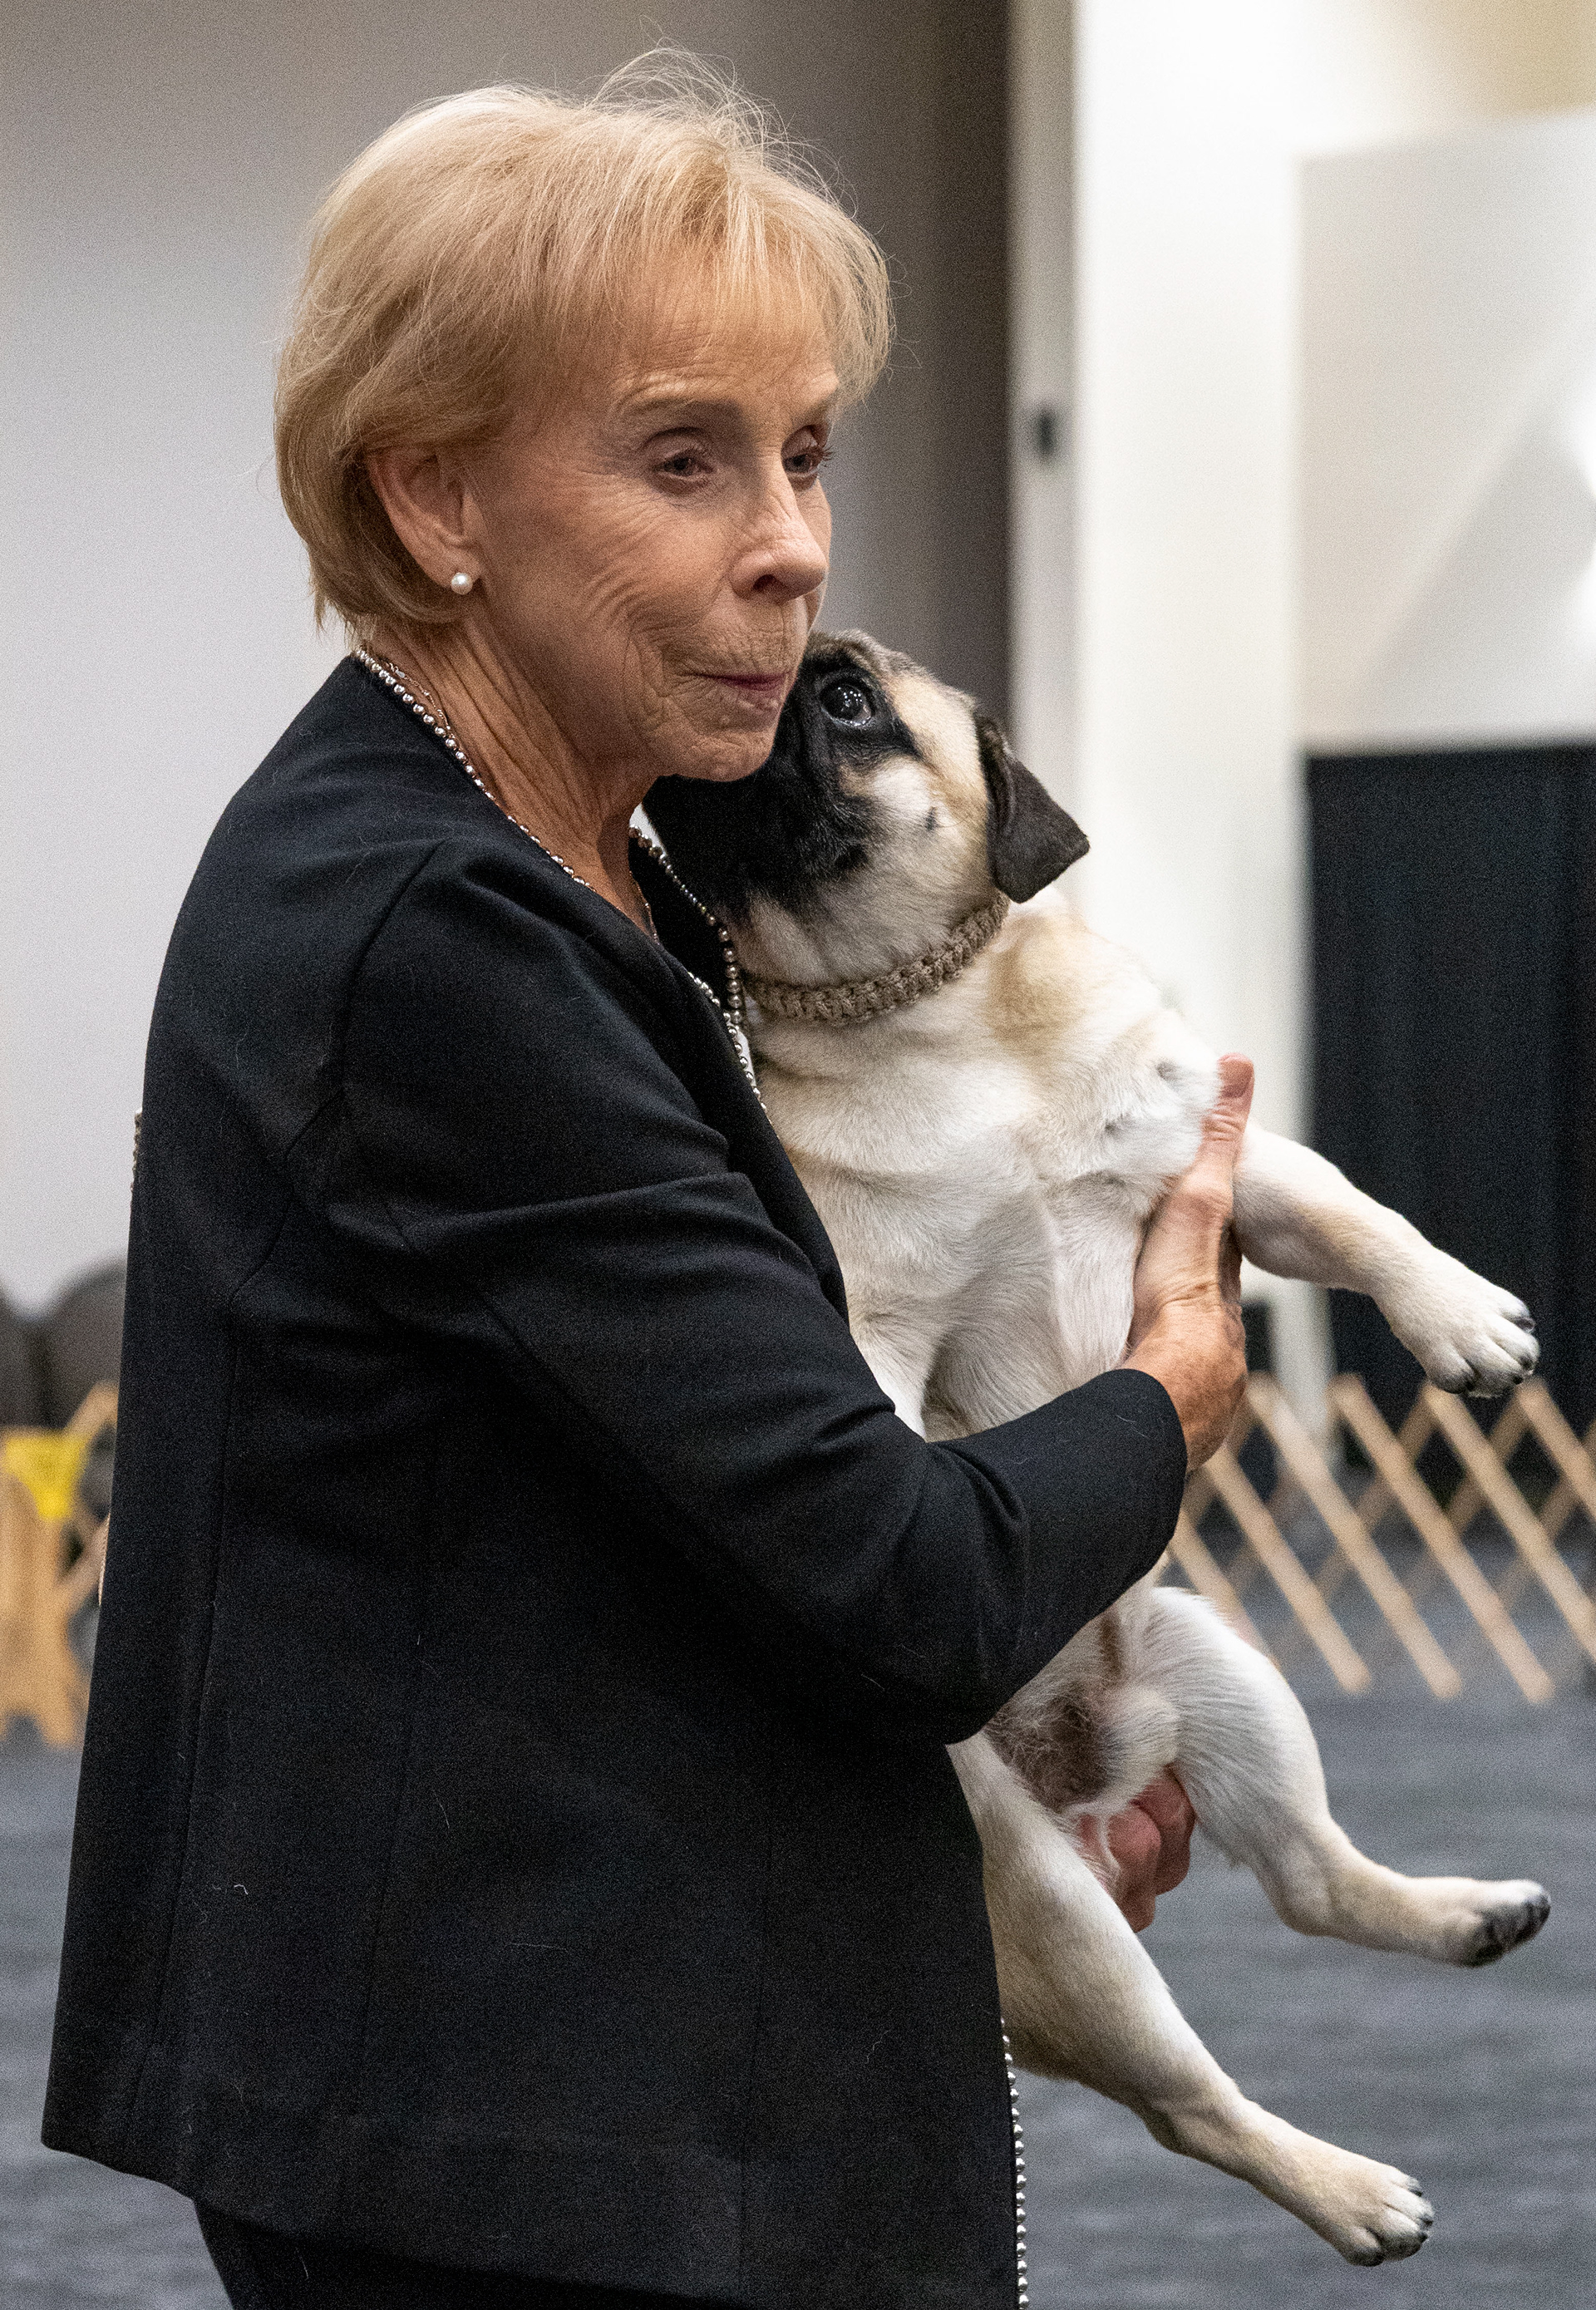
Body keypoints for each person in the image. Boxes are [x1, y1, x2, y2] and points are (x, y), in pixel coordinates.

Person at [44, 62, 1249, 2310]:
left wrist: (1013, 1788)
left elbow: (662, 1525)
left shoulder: (571, 862)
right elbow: (888, 1569)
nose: (790, 537)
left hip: (597, 2075)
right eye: (686, 456)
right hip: (543, 2151)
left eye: (803, 454)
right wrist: (1170, 1397)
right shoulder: (439, 935)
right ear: (436, 501)